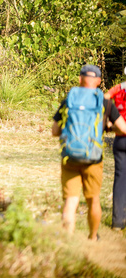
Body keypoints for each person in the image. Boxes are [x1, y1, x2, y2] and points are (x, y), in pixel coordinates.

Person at [52, 64, 126, 240]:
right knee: (93, 199)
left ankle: (68, 242)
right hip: (93, 157)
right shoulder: (104, 102)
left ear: (79, 79)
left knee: (71, 200)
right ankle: (93, 237)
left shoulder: (69, 100)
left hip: (70, 156)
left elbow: (55, 131)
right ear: (99, 81)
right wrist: (107, 128)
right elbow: (123, 130)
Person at [104, 68, 126, 232]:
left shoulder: (119, 88)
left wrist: (109, 122)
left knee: (120, 178)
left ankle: (117, 221)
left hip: (120, 139)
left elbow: (104, 99)